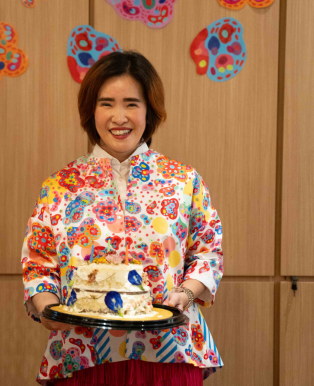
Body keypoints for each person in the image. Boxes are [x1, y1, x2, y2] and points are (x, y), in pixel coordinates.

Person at [21, 51, 224, 385]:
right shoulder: (59, 187)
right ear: (91, 110)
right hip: (84, 353)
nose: (119, 117)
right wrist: (48, 310)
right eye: (106, 104)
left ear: (149, 110)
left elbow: (208, 252)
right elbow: (38, 264)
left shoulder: (184, 181)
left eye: (131, 103)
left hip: (169, 351)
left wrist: (186, 294)